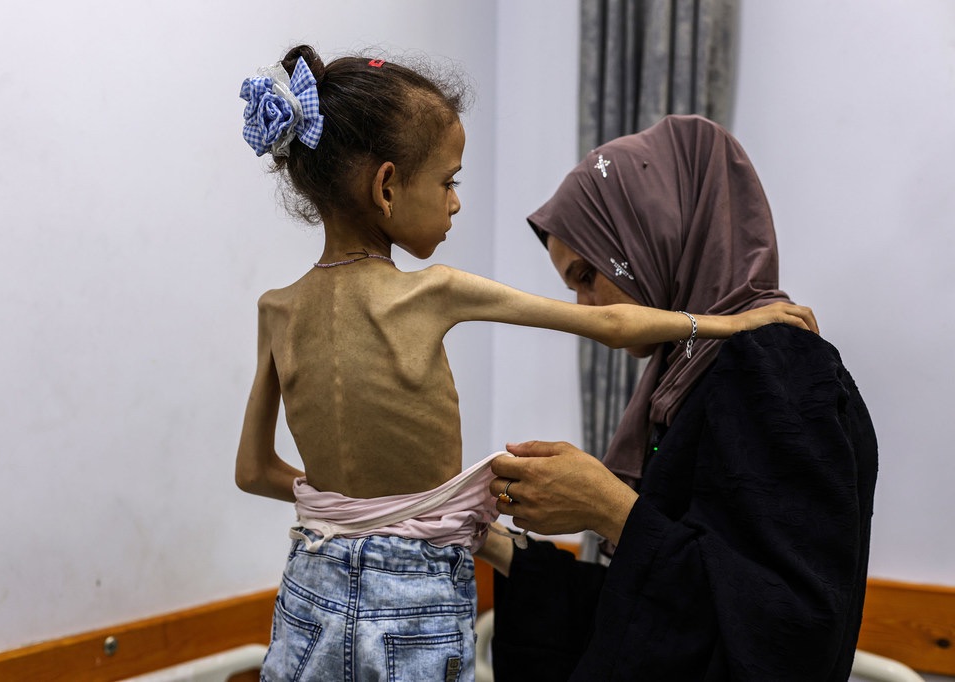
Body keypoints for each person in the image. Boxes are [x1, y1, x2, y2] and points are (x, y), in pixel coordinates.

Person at [234, 46, 816, 682]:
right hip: (412, 597)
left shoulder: (276, 310)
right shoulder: (433, 292)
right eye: (449, 182)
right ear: (387, 186)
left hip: (309, 587)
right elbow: (611, 323)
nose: (455, 203)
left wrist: (358, 510)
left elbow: (253, 471)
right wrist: (729, 322)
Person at [482, 115, 879, 681]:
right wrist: (494, 543)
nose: (585, 311)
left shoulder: (776, 368)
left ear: (653, 234)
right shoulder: (686, 378)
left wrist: (610, 509)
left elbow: (787, 634)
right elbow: (650, 617)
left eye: (588, 276)